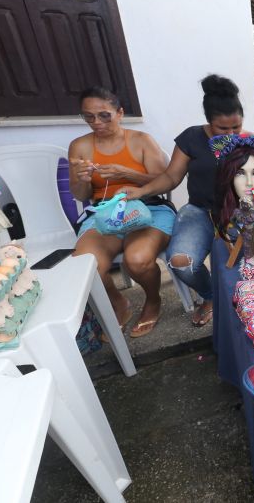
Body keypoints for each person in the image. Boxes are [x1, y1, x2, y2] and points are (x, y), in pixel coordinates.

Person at [123, 74, 245, 327]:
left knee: (245, 262)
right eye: (223, 129)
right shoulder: (191, 138)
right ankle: (210, 296)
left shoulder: (249, 141)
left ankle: (243, 300)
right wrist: (141, 191)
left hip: (239, 213)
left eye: (236, 127)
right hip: (199, 211)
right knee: (181, 262)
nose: (231, 134)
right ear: (208, 123)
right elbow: (170, 177)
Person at [69, 86, 174, 338]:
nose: (96, 122)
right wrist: (83, 179)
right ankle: (119, 304)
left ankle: (152, 300)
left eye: (104, 115)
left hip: (148, 207)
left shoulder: (141, 140)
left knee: (137, 260)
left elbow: (166, 179)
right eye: (89, 117)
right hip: (105, 213)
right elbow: (81, 196)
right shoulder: (80, 146)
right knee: (87, 267)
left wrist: (127, 174)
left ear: (120, 113)